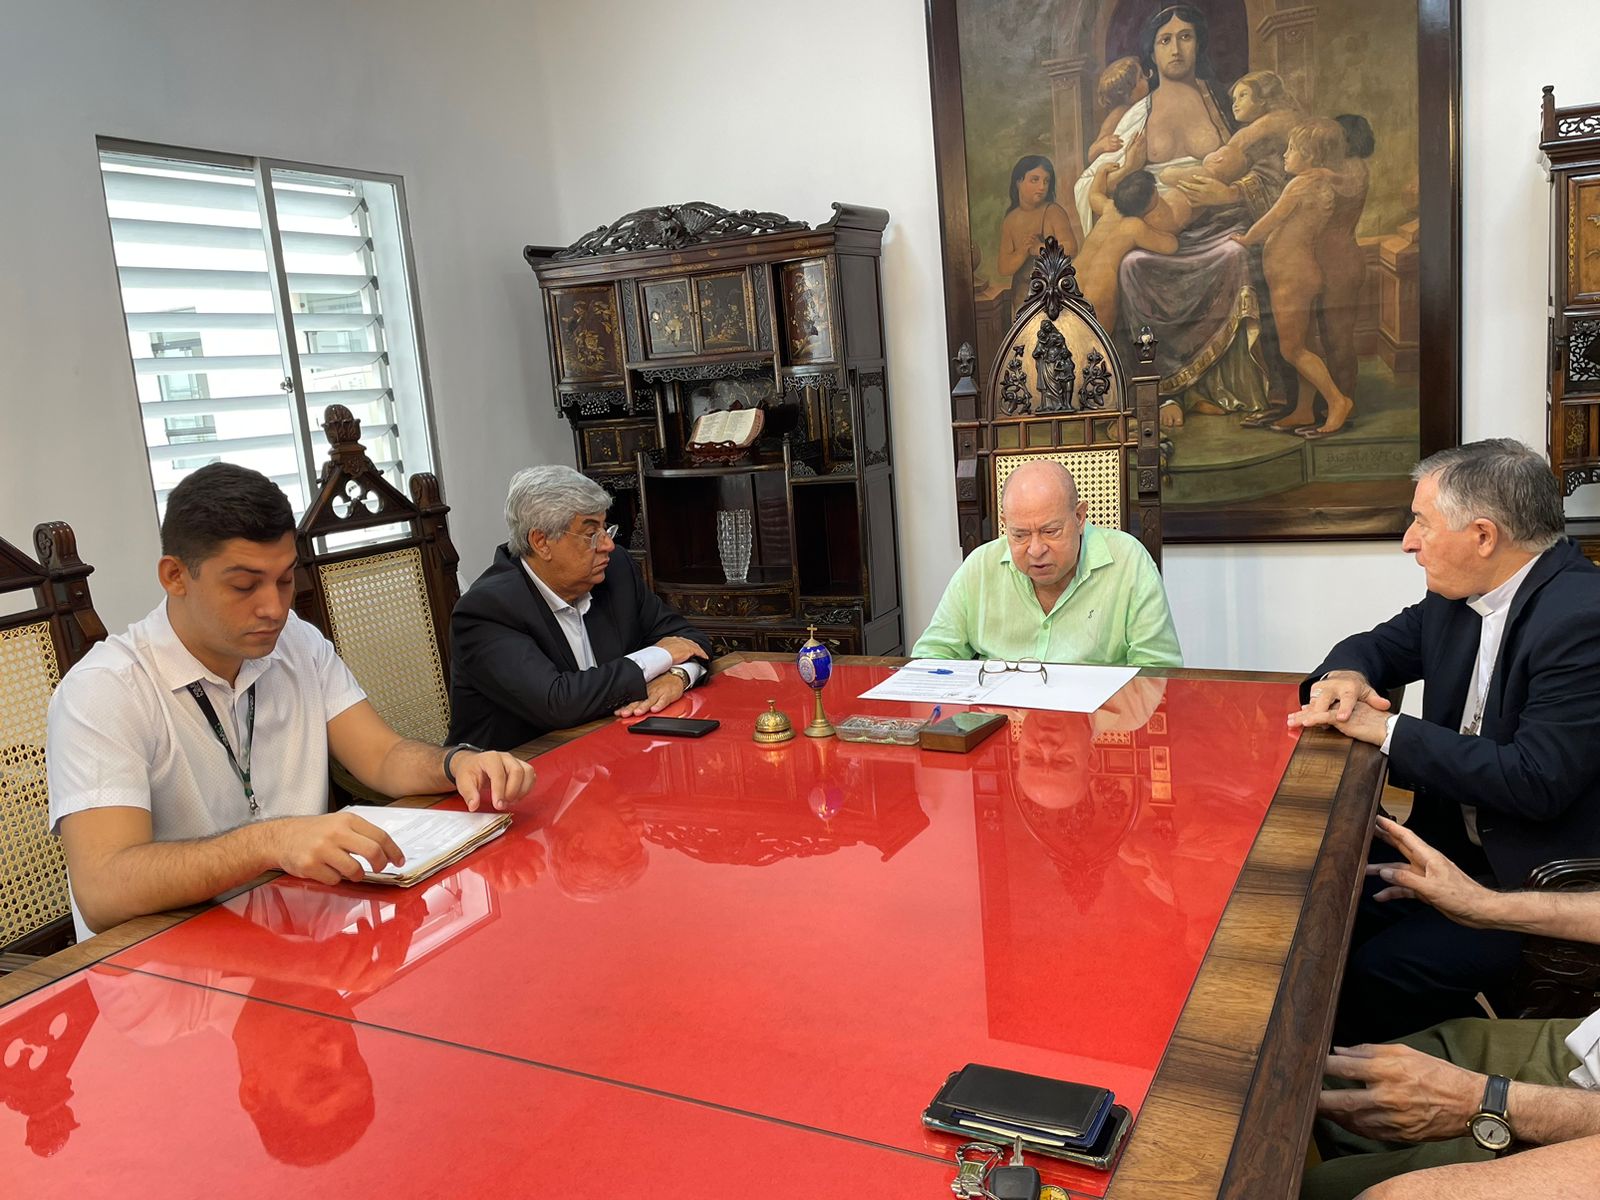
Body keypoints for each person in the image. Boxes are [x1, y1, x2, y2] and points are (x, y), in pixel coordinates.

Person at [46, 463, 536, 939]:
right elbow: (103, 890)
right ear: (175, 576)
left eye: (284, 579)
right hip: (172, 961)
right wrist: (272, 841)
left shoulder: (295, 641)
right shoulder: (105, 689)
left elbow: (381, 755)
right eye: (244, 585)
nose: (274, 608)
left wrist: (456, 763)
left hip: (302, 927)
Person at [1289, 439, 1600, 1046]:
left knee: (1371, 973)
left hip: (1529, 881)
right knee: (1313, 915)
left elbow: (1534, 781)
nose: (1409, 541)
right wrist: (1346, 676)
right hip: (1447, 844)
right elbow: (1375, 647)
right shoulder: (1459, 595)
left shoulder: (1582, 618)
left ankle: (1378, 1088)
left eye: (1422, 523)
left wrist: (1387, 730)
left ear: (1483, 536)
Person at [1302, 817, 1600, 1200]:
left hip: (1577, 1127)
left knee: (1321, 1188)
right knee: (1322, 1081)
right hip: (1581, 1041)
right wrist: (1483, 904)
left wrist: (1490, 1100)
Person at [1074, 6, 1274, 428]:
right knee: (1131, 264)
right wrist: (1129, 170)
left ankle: (1213, 386)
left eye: (1185, 37)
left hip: (1218, 220)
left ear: (1199, 43)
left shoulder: (1225, 101)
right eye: (1165, 40)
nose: (1176, 48)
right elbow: (1094, 181)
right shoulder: (1139, 112)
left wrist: (1230, 193)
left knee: (1235, 254)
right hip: (1158, 224)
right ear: (1152, 52)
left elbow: (1266, 163)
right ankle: (1161, 389)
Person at [448, 465, 712, 750]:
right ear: (541, 542)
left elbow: (691, 640)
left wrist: (677, 676)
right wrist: (660, 656)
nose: (608, 545)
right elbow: (558, 702)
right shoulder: (487, 610)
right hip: (519, 765)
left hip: (608, 750)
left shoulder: (615, 570)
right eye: (591, 534)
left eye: (606, 528)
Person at [911, 460, 1181, 667]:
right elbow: (932, 656)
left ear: (1079, 517)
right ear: (1005, 524)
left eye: (1050, 531)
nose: (1036, 550)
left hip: (1097, 721)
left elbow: (1158, 670)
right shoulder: (981, 566)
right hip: (1003, 718)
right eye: (1019, 535)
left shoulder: (1129, 562)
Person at [1233, 117, 1356, 438]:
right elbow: (1346, 181)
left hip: (1293, 277)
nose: (1285, 155)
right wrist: (1327, 172)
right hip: (1301, 274)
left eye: (1291, 149)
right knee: (1304, 344)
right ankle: (1304, 409)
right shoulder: (1321, 182)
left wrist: (1246, 239)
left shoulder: (1299, 184)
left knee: (1292, 350)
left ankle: (1338, 401)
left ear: (1311, 156)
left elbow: (1270, 220)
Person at [1076, 132, 1186, 332]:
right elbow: (1171, 245)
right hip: (1098, 294)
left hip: (1068, 283)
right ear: (1148, 207)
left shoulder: (1110, 209)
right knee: (1095, 346)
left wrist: (1101, 172)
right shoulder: (1135, 226)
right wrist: (1164, 227)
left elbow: (1094, 195)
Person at [999, 154, 1078, 325]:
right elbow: (1004, 268)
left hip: (1053, 295)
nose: (1042, 187)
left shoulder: (1053, 212)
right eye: (1034, 180)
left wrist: (1039, 248)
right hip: (1022, 296)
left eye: (1046, 181)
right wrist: (1022, 251)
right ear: (1019, 182)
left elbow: (1071, 248)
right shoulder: (1010, 220)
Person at [1086, 56, 1148, 161]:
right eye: (1141, 77)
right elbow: (1091, 153)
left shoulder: (1144, 106)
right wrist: (1103, 145)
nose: (1146, 79)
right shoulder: (1118, 113)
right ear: (1127, 91)